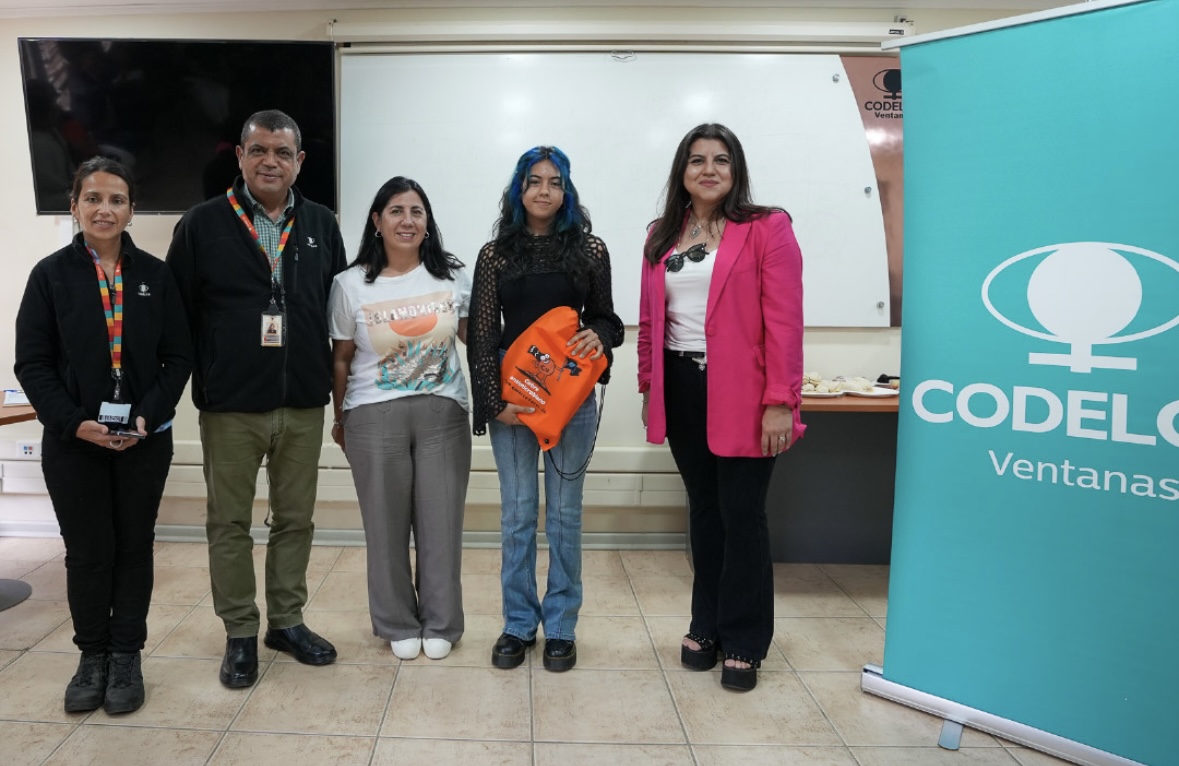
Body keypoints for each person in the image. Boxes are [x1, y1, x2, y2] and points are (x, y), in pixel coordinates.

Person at [166, 109, 347, 688]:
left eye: (283, 152)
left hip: (303, 402)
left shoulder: (321, 222)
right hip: (230, 406)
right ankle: (241, 631)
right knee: (229, 524)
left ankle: (286, 622)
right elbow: (177, 316)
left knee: (295, 520)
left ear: (300, 161)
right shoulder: (201, 224)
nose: (271, 162)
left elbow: (338, 312)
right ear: (240, 156)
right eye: (260, 150)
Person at [15, 157, 193, 714]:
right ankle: (92, 656)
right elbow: (32, 363)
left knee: (134, 549)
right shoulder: (49, 276)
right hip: (74, 443)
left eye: (116, 199)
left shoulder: (156, 276)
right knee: (88, 553)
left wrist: (146, 416)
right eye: (92, 198)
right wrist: (74, 422)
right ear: (74, 207)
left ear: (131, 210)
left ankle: (126, 657)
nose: (104, 209)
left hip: (144, 440)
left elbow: (177, 357)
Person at [637, 123, 804, 692]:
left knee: (742, 515)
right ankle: (705, 625)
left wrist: (780, 401)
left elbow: (785, 322)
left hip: (746, 394)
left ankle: (744, 639)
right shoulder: (661, 234)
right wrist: (649, 387)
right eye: (697, 160)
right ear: (682, 171)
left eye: (721, 160)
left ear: (736, 171)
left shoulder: (767, 227)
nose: (709, 170)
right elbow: (650, 321)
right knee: (704, 511)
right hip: (681, 387)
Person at [468, 146, 624, 672]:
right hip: (514, 399)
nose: (544, 190)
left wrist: (597, 336)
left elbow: (607, 320)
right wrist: (494, 403)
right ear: (519, 190)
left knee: (563, 515)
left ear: (566, 191)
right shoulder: (496, 254)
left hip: (570, 401)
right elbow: (483, 334)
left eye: (554, 182)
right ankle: (518, 623)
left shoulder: (590, 250)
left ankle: (560, 626)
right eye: (534, 181)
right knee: (517, 516)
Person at [328, 177, 472, 661]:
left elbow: (476, 339)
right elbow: (342, 358)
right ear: (377, 220)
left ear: (427, 222)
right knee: (384, 527)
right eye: (396, 211)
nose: (407, 221)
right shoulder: (350, 284)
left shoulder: (453, 277)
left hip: (442, 415)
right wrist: (340, 419)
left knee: (441, 525)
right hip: (372, 416)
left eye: (416, 212)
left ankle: (442, 622)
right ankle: (396, 622)